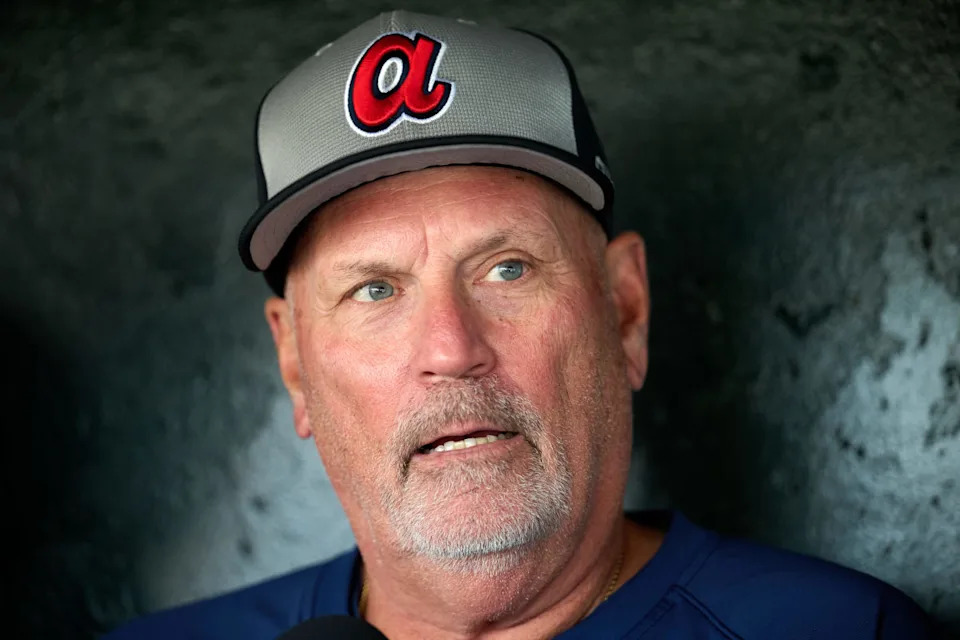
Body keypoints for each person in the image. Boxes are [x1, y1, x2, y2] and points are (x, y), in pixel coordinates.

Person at [104, 10, 942, 640]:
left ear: (624, 312)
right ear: (294, 365)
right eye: (375, 290)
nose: (450, 350)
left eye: (508, 269)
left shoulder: (840, 630)